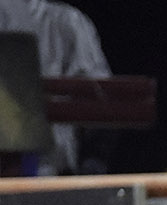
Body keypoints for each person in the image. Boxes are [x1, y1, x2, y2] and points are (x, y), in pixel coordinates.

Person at [0, 0, 108, 174]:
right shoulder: (68, 20)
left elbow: (101, 99)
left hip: (49, 169)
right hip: (48, 169)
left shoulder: (66, 21)